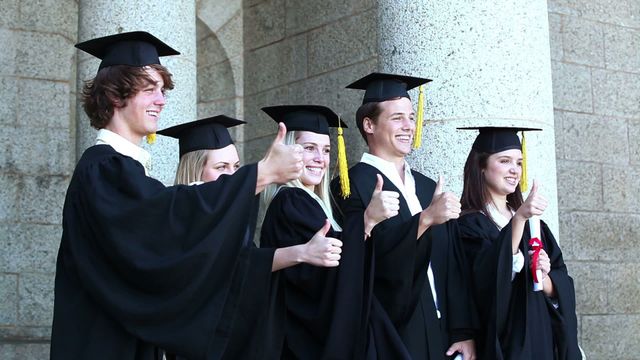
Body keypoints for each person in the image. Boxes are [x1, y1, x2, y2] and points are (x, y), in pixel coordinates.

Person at [50, 31, 331, 360]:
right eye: (149, 88)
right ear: (115, 95)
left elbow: (169, 229)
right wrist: (261, 174)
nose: (161, 100)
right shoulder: (103, 169)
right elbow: (164, 218)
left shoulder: (123, 171)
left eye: (162, 90)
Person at [332, 73, 476, 360]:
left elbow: (452, 265)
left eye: (411, 117)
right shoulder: (351, 186)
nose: (409, 126)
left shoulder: (425, 186)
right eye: (397, 118)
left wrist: (463, 330)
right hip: (391, 334)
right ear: (369, 125)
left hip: (443, 334)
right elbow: (365, 264)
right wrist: (424, 220)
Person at [259, 105, 410, 359]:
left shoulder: (317, 202)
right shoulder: (291, 200)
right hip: (304, 343)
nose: (320, 158)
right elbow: (318, 277)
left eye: (326, 150)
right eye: (309, 148)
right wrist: (366, 221)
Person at [457, 127, 580, 359]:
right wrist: (520, 218)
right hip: (504, 344)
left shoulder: (536, 226)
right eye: (505, 161)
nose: (515, 170)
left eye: (519, 162)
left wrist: (543, 277)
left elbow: (562, 282)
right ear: (481, 167)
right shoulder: (469, 226)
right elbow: (484, 283)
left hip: (543, 340)